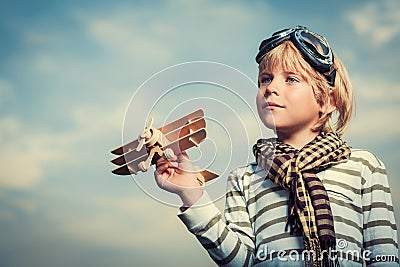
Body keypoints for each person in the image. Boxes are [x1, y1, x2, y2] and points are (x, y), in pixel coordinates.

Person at [154, 26, 399, 266]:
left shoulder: (363, 167)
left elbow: (384, 255)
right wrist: (190, 193)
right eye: (265, 79)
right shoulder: (246, 178)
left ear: (327, 100)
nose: (270, 87)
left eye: (291, 79)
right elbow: (241, 261)